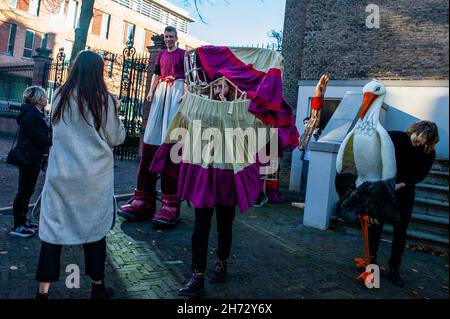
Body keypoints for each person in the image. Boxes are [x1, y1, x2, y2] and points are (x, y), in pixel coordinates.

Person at [35, 50, 125, 299]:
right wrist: (116, 113)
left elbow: (55, 128)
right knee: (94, 233)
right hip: (92, 180)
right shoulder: (104, 100)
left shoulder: (60, 94)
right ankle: (97, 287)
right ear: (99, 71)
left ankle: (42, 293)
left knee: (52, 235)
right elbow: (116, 138)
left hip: (61, 177)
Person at [119, 26, 186, 226]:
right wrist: (150, 91)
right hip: (162, 91)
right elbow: (156, 74)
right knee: (151, 137)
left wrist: (187, 92)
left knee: (171, 134)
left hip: (177, 89)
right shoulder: (162, 55)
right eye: (166, 36)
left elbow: (190, 75)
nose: (168, 39)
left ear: (176, 38)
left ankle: (170, 203)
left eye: (171, 36)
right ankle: (143, 198)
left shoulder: (183, 55)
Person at [177, 78, 237, 297]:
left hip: (226, 175)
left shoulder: (237, 108)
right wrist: (188, 102)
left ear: (230, 89)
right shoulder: (205, 108)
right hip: (206, 174)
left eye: (222, 87)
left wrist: (226, 108)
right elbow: (188, 121)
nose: (218, 90)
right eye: (216, 87)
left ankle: (222, 261)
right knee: (200, 226)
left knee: (224, 224)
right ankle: (197, 275)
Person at [368, 121, 439, 287]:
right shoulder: (397, 137)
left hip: (405, 194)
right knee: (376, 228)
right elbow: (375, 138)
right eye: (417, 138)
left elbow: (421, 175)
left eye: (423, 142)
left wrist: (403, 184)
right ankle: (370, 263)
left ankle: (394, 269)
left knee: (400, 234)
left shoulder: (428, 152)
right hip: (385, 190)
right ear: (413, 131)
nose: (418, 143)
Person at [9, 86, 52, 238]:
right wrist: (54, 140)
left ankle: (23, 220)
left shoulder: (35, 114)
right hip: (29, 158)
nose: (47, 99)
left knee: (28, 190)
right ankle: (18, 225)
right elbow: (39, 138)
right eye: (45, 97)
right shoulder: (32, 115)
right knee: (24, 191)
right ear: (39, 100)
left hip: (31, 157)